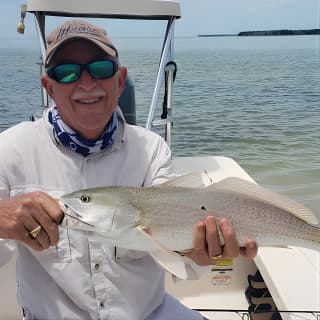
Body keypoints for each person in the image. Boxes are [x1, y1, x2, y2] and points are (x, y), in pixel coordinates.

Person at [0, 19, 257, 319]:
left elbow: (180, 258)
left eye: (100, 69)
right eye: (67, 72)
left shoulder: (151, 151)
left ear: (120, 81)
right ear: (50, 88)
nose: (86, 83)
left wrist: (198, 253)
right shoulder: (10, 150)